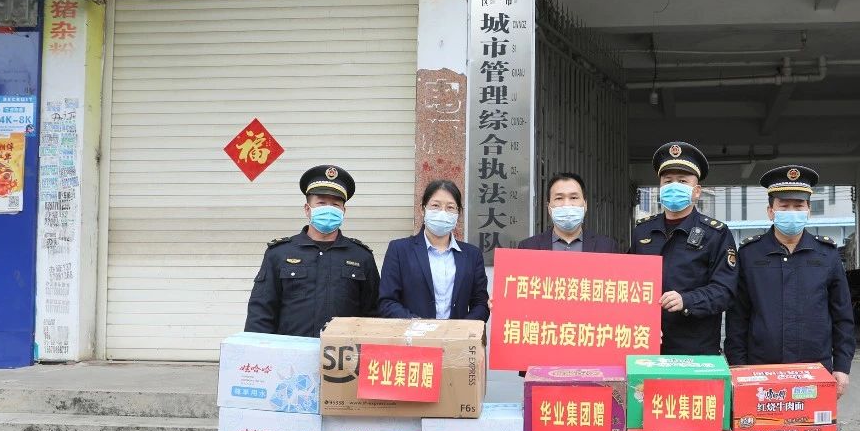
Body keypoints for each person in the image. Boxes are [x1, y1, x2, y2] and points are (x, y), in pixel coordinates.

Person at [724, 165, 856, 397]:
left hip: (815, 370)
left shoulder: (827, 254)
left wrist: (842, 367)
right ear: (771, 211)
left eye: (799, 205)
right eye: (784, 206)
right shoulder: (750, 254)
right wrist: (737, 365)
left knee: (812, 421)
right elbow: (738, 317)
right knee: (761, 421)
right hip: (761, 370)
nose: (792, 212)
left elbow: (842, 315)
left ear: (808, 210)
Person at [245, 165, 379, 337]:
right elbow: (261, 311)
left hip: (342, 351)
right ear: (307, 209)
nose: (329, 209)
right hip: (290, 350)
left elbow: (373, 313)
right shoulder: (279, 253)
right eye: (321, 203)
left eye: (335, 205)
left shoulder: (361, 256)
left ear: (343, 211)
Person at [631, 141, 737, 355]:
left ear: (696, 191)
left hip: (695, 350)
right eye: (668, 181)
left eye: (682, 181)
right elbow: (628, 284)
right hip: (646, 346)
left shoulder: (716, 234)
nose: (674, 186)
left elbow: (725, 291)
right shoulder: (642, 231)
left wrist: (687, 300)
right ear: (660, 188)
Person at [377, 179, 490, 321]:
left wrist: (461, 328)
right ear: (422, 209)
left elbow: (481, 304)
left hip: (457, 335)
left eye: (450, 207)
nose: (442, 213)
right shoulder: (399, 250)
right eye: (435, 205)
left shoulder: (472, 255)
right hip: (413, 333)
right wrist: (418, 325)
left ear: (458, 213)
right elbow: (387, 302)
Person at [518, 172, 621, 253]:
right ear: (549, 207)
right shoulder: (528, 248)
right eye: (559, 198)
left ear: (585, 205)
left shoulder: (607, 248)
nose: (566, 204)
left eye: (574, 197)